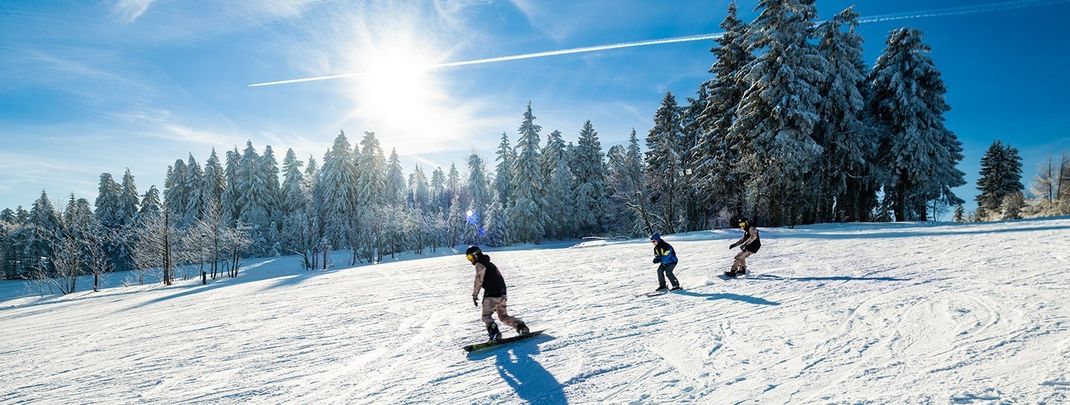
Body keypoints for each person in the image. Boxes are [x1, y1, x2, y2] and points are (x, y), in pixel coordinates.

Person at [466, 245, 529, 342]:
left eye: (470, 257)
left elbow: (479, 280)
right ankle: (521, 327)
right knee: (503, 316)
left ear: (476, 255)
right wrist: (502, 292)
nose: (470, 260)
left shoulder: (480, 264)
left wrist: (475, 295)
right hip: (502, 293)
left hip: (491, 294)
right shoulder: (490, 264)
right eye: (468, 258)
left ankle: (494, 333)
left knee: (486, 316)